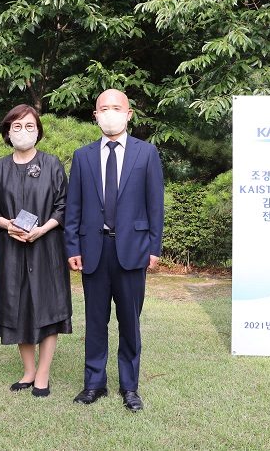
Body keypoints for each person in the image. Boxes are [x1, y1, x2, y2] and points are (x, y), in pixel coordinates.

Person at [64, 89, 164, 412]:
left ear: (129, 113)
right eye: (103, 108)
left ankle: (129, 387)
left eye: (116, 107)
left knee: (129, 321)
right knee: (95, 321)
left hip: (133, 251)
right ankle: (94, 383)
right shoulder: (82, 156)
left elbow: (155, 207)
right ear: (95, 116)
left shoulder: (146, 154)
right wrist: (72, 246)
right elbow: (73, 208)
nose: (110, 113)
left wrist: (154, 248)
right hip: (93, 249)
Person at [0, 104, 72, 398]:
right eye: (17, 127)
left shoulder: (52, 164)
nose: (23, 132)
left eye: (30, 126)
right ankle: (29, 371)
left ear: (38, 131)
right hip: (11, 248)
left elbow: (64, 205)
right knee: (18, 307)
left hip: (46, 248)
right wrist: (5, 224)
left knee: (48, 308)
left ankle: (43, 375)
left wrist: (43, 228)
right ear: (8, 132)